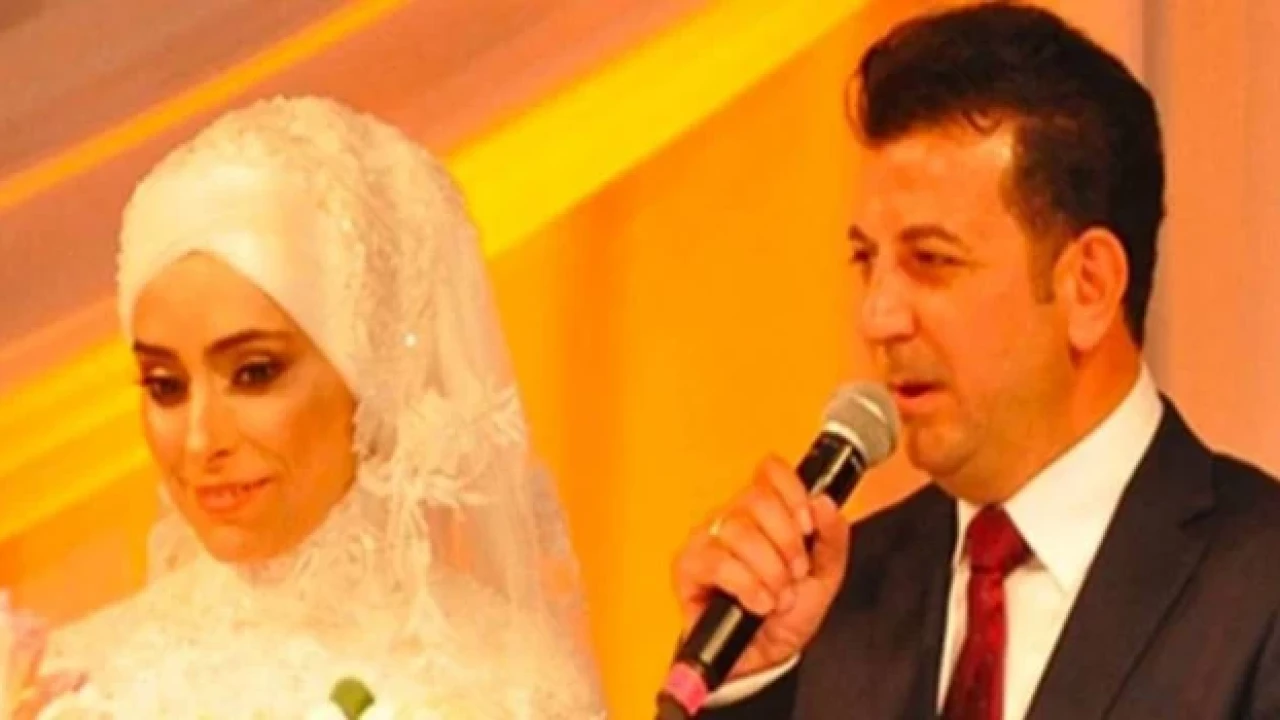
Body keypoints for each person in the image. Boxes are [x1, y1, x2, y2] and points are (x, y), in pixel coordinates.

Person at [671, 3, 1280, 718]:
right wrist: (751, 683)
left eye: (931, 260)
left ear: (1088, 286)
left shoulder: (1258, 586)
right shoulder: (833, 597)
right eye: (867, 262)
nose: (877, 318)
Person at [33, 96, 606, 718]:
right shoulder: (69, 683)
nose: (200, 441)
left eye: (254, 374)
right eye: (165, 385)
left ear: (373, 375)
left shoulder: (505, 690)